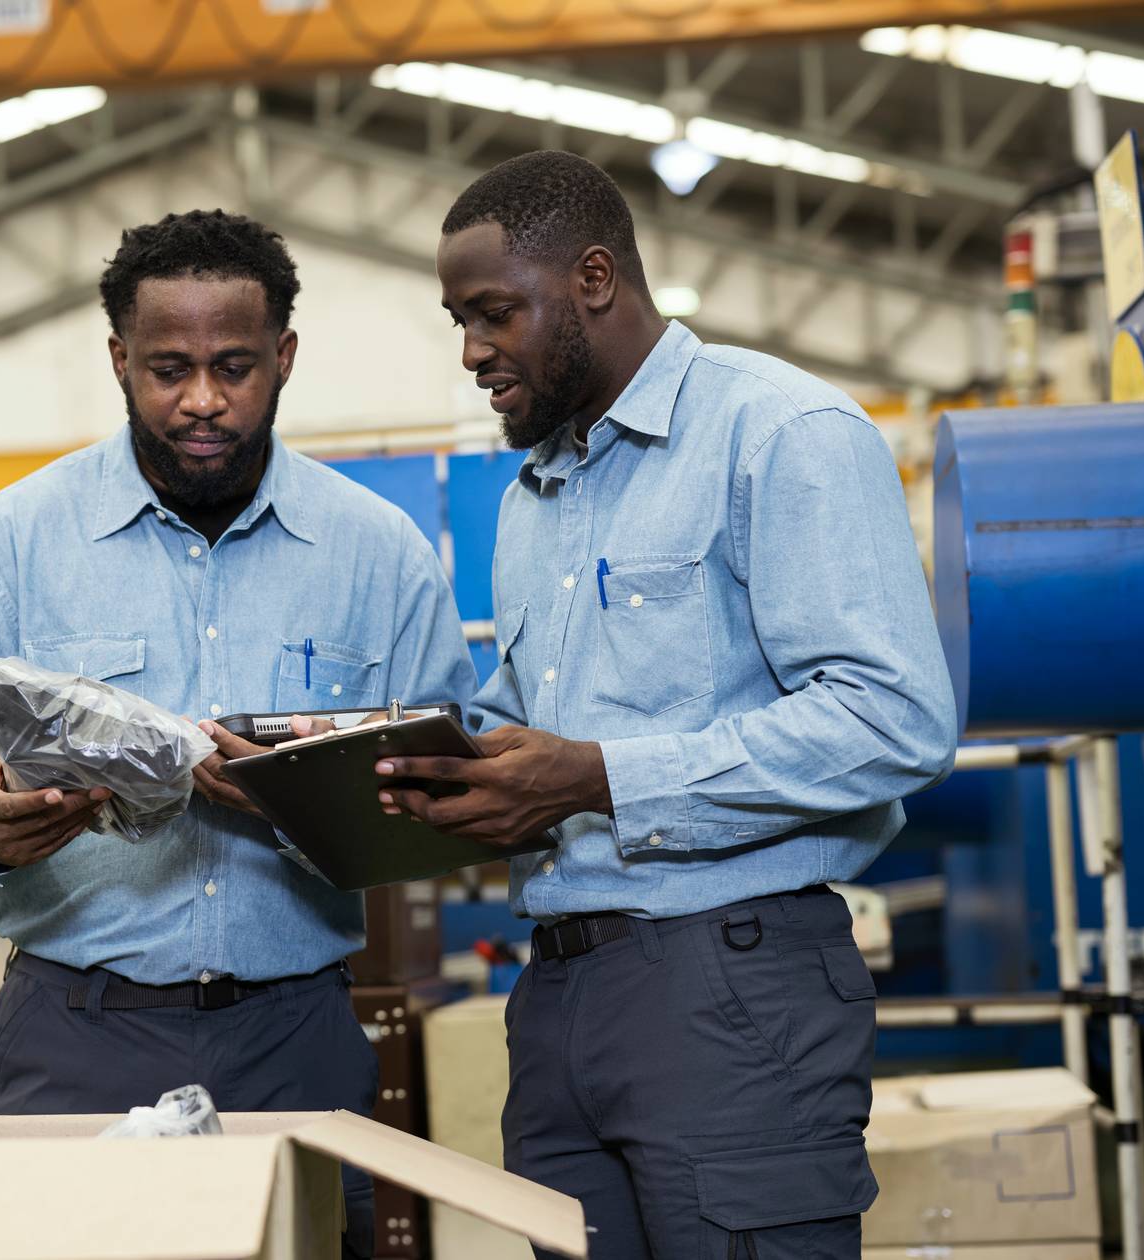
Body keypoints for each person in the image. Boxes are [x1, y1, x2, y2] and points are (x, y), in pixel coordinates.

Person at [373, 151, 959, 1258]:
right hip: (555, 997)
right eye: (457, 321)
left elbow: (892, 718)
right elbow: (531, 717)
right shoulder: (535, 494)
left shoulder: (780, 435)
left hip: (728, 986)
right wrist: (402, 761)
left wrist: (595, 777)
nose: (471, 354)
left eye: (492, 314)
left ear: (593, 277)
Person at [0, 209, 481, 1257]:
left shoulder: (375, 555)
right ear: (117, 359)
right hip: (75, 1034)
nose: (201, 399)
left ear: (283, 356)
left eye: (233, 366)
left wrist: (310, 805)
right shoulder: (13, 542)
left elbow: (450, 788)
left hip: (293, 1038)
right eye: (166, 369)